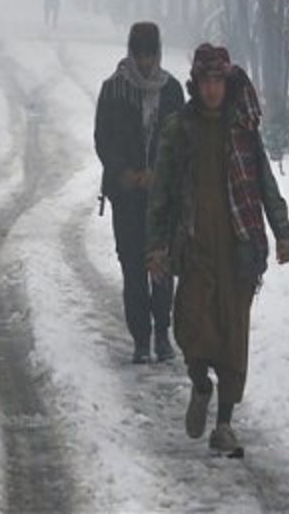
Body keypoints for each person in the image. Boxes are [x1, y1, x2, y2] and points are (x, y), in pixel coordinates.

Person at [146, 44, 289, 457]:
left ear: (227, 85)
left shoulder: (243, 130)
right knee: (191, 326)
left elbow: (265, 184)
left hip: (239, 251)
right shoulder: (180, 130)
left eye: (219, 81)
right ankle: (199, 384)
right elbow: (160, 193)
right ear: (196, 84)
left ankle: (225, 424)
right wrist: (156, 246)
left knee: (233, 337)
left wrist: (282, 232)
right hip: (194, 248)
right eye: (206, 82)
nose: (213, 89)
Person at [95, 22, 185, 364]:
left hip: (163, 197)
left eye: (150, 55)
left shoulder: (172, 91)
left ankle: (163, 333)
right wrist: (124, 173)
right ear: (132, 52)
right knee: (133, 267)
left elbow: (180, 140)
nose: (146, 62)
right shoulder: (114, 90)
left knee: (161, 267)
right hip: (127, 196)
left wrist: (158, 173)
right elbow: (103, 138)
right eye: (140, 55)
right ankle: (141, 338)